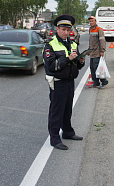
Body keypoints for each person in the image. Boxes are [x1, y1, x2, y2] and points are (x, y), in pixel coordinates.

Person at [43, 15, 86, 150]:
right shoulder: (50, 45)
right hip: (58, 83)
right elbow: (51, 66)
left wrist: (81, 61)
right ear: (57, 29)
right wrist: (68, 58)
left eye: (68, 30)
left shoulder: (73, 44)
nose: (66, 32)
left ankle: (67, 132)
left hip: (70, 82)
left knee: (67, 110)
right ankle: (54, 139)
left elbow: (76, 66)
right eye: (63, 29)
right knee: (56, 111)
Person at [88, 15, 108, 88]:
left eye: (92, 21)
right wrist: (88, 51)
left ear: (95, 21)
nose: (91, 22)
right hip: (92, 53)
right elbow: (91, 41)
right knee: (92, 68)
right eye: (90, 21)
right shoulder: (90, 29)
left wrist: (102, 50)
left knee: (97, 68)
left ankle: (104, 81)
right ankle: (96, 82)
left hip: (97, 52)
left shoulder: (99, 29)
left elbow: (102, 40)